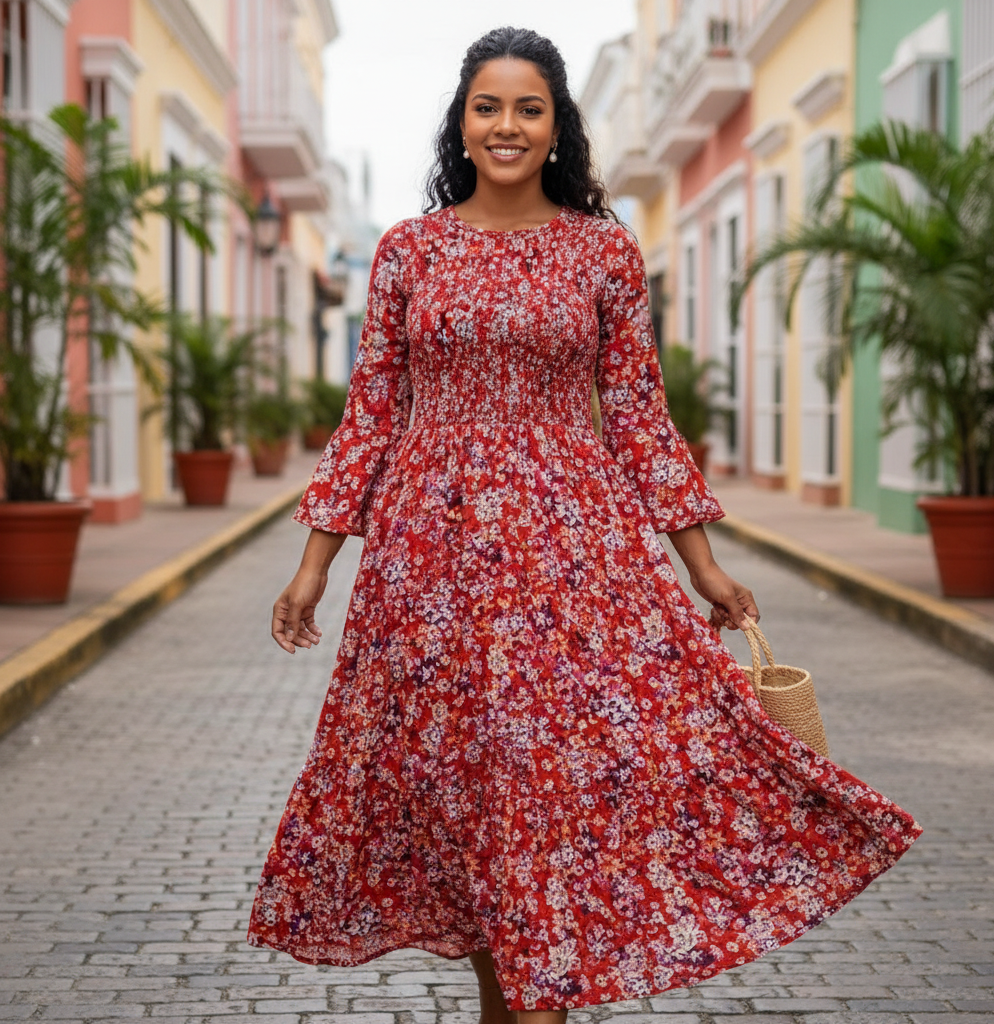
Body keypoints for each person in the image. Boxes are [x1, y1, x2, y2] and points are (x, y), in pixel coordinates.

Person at [247, 26, 921, 1024]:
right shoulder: (407, 251)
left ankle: (536, 1004)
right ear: (461, 124)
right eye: (489, 106)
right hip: (433, 569)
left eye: (529, 107)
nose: (507, 125)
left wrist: (703, 567)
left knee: (553, 791)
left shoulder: (602, 248)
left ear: (556, 126)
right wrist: (313, 566)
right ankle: (515, 1003)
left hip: (578, 561)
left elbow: (640, 416)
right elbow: (373, 416)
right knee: (473, 795)